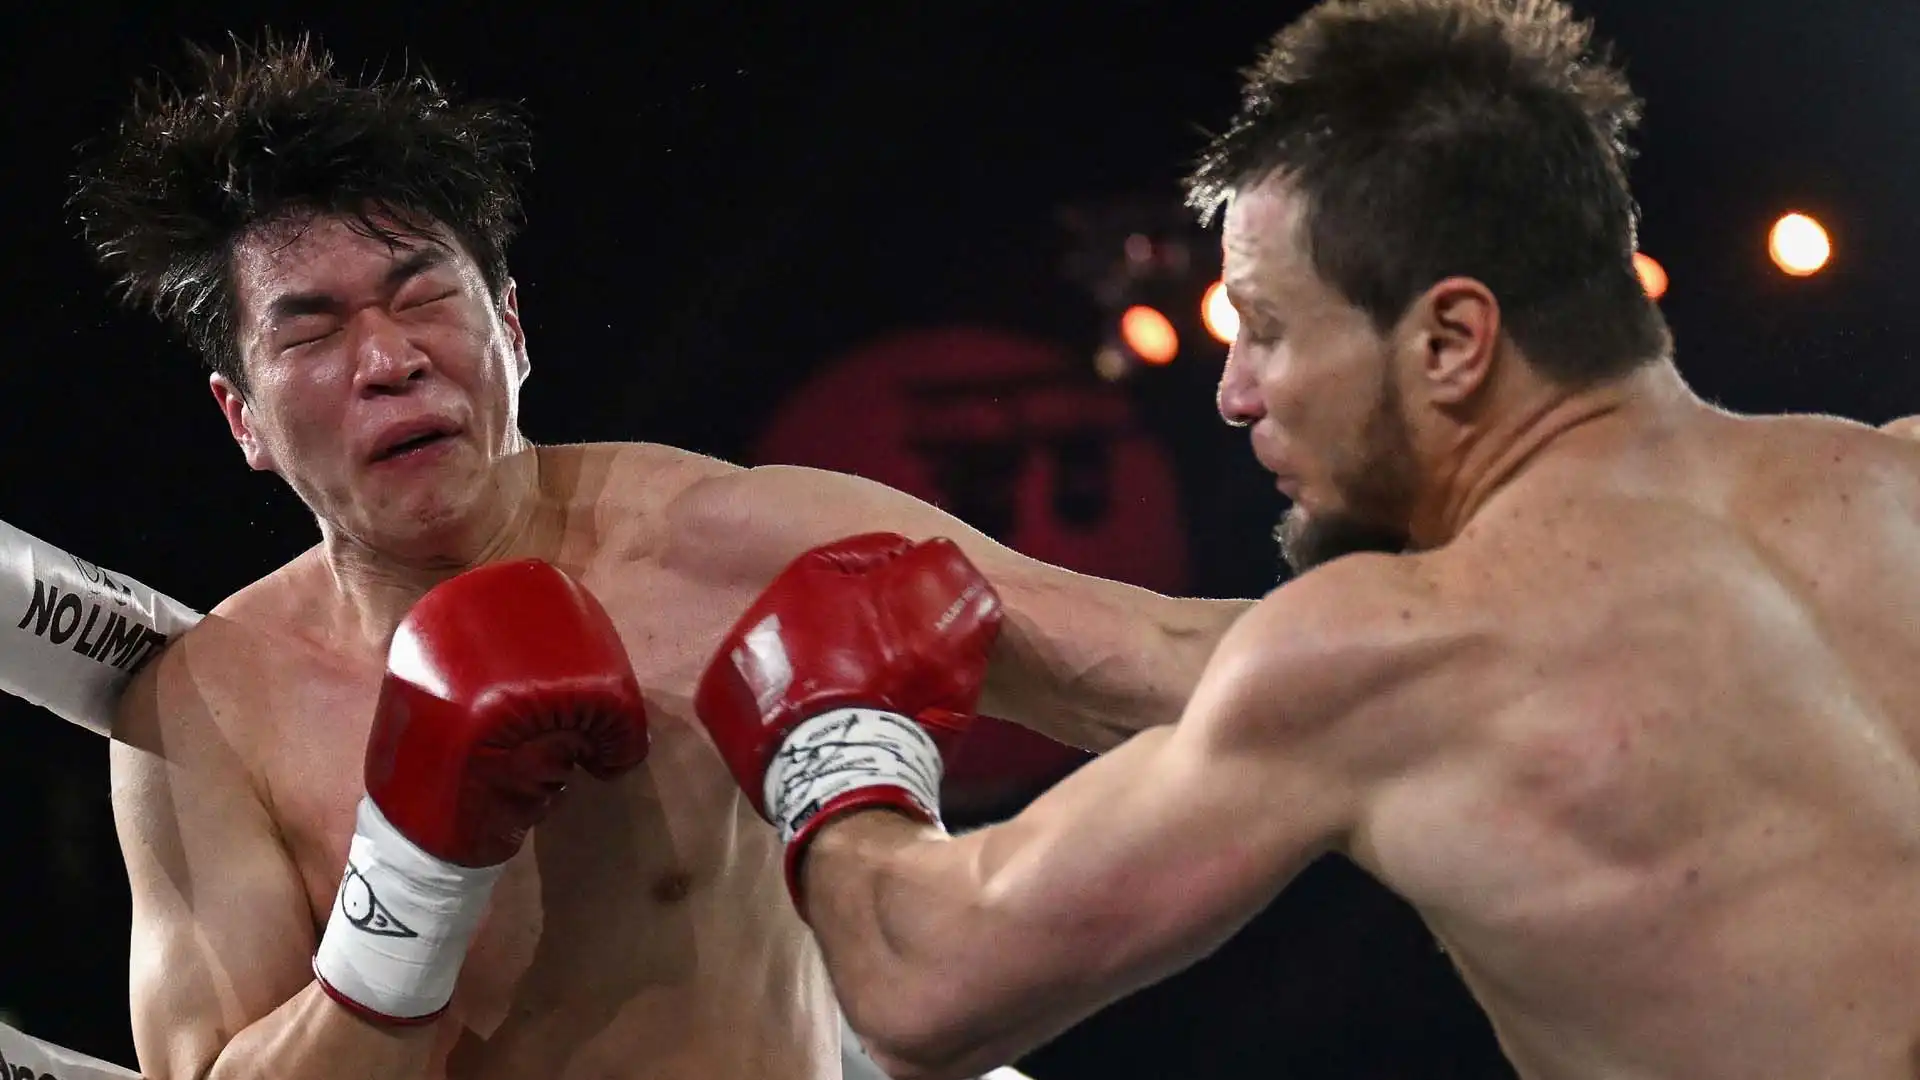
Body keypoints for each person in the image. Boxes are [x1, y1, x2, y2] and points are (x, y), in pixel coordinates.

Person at [688, 3, 1920, 1079]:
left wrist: (830, 739)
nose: (1233, 393)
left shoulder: (1396, 649)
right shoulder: (1897, 476)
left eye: (1268, 328)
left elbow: (923, 989)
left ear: (1450, 343)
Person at [78, 34, 1244, 1080]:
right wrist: (413, 883)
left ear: (513, 330)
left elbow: (1157, 661)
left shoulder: (725, 543)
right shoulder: (209, 709)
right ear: (242, 418)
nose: (389, 359)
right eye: (314, 329)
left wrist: (1424, 612)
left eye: (423, 293)